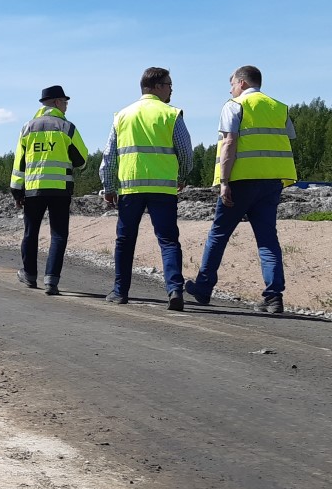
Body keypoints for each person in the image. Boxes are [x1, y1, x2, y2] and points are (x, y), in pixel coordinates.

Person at [185, 66, 297, 313]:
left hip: (241, 181)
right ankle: (273, 296)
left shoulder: (234, 105)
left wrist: (224, 182)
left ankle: (204, 287)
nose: (230, 89)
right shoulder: (279, 107)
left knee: (219, 234)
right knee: (267, 239)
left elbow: (230, 143)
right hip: (271, 181)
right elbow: (288, 137)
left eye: (233, 84)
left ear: (243, 83)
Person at [99, 67, 193, 311]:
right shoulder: (171, 114)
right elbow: (186, 152)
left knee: (125, 240)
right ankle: (174, 290)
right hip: (163, 189)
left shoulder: (122, 115)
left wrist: (109, 186)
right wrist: (182, 176)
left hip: (130, 188)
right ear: (156, 86)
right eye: (169, 84)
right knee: (169, 241)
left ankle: (120, 292)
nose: (172, 89)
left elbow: (109, 156)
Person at [10, 85, 89, 296]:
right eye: (65, 102)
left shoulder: (27, 128)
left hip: (34, 189)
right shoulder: (66, 127)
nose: (66, 106)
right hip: (60, 189)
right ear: (55, 102)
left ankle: (29, 275)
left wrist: (17, 191)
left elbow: (19, 163)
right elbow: (82, 158)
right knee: (59, 235)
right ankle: (51, 281)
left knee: (30, 233)